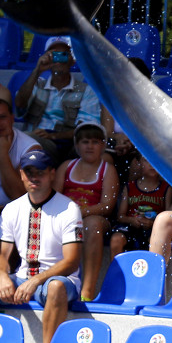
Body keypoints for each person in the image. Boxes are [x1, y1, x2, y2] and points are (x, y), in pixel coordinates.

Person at [0, 150, 82, 343]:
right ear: (21, 174)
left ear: (52, 174)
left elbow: (72, 262)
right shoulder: (12, 208)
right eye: (29, 172)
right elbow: (1, 255)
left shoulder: (69, 208)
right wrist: (1, 277)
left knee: (55, 286)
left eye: (40, 172)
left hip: (57, 281)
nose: (34, 177)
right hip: (22, 278)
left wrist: (36, 281)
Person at [54, 123, 118, 301]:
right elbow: (54, 198)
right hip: (66, 218)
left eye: (95, 142)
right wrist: (71, 215)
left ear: (103, 145)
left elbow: (107, 206)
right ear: (77, 145)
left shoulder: (108, 170)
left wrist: (80, 212)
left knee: (93, 225)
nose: (90, 146)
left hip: (94, 219)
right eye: (85, 142)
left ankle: (87, 291)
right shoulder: (66, 166)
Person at [14, 36, 102, 159]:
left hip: (65, 145)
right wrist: (37, 71)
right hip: (33, 140)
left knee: (27, 139)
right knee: (20, 139)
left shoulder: (86, 91)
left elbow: (85, 130)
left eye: (63, 55)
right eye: (54, 55)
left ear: (73, 59)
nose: (59, 60)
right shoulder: (37, 84)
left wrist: (53, 136)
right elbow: (19, 105)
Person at [110, 151, 172, 257]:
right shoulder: (130, 187)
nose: (151, 164)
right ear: (139, 163)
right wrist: (132, 220)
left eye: (154, 161)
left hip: (153, 227)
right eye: (147, 160)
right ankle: (116, 272)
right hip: (131, 226)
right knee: (116, 239)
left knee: (156, 241)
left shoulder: (165, 188)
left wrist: (153, 223)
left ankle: (154, 270)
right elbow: (120, 216)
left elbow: (166, 214)